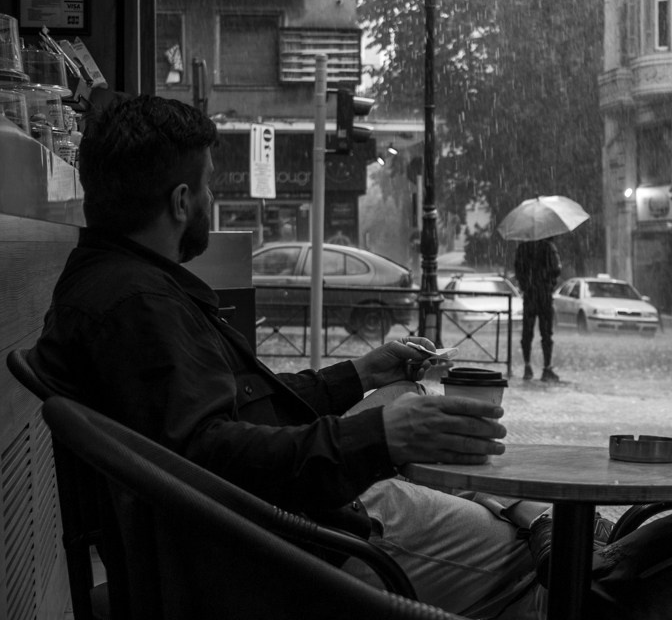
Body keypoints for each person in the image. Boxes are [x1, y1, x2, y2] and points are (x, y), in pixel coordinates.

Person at [28, 95, 547, 618]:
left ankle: (540, 522)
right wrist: (383, 436)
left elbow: (242, 409)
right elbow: (214, 460)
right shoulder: (139, 309)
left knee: (403, 393)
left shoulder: (116, 283)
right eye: (208, 184)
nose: (212, 198)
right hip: (294, 550)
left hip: (283, 516)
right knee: (531, 566)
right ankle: (553, 541)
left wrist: (363, 373)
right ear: (181, 201)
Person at [513, 238, 562, 382]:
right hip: (544, 295)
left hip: (530, 296)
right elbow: (556, 269)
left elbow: (517, 269)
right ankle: (547, 368)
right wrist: (548, 281)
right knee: (546, 333)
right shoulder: (549, 247)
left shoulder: (522, 248)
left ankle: (527, 366)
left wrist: (526, 285)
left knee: (527, 332)